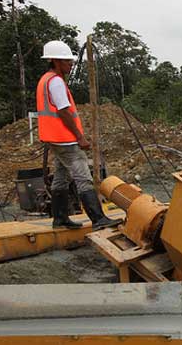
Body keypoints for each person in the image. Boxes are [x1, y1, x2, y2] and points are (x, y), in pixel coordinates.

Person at [37, 40, 123, 230]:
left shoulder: (46, 80)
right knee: (83, 176)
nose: (71, 63)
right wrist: (79, 136)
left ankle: (59, 219)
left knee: (61, 176)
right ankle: (98, 219)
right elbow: (63, 111)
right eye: (67, 61)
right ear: (56, 61)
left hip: (54, 138)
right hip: (65, 139)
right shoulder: (56, 82)